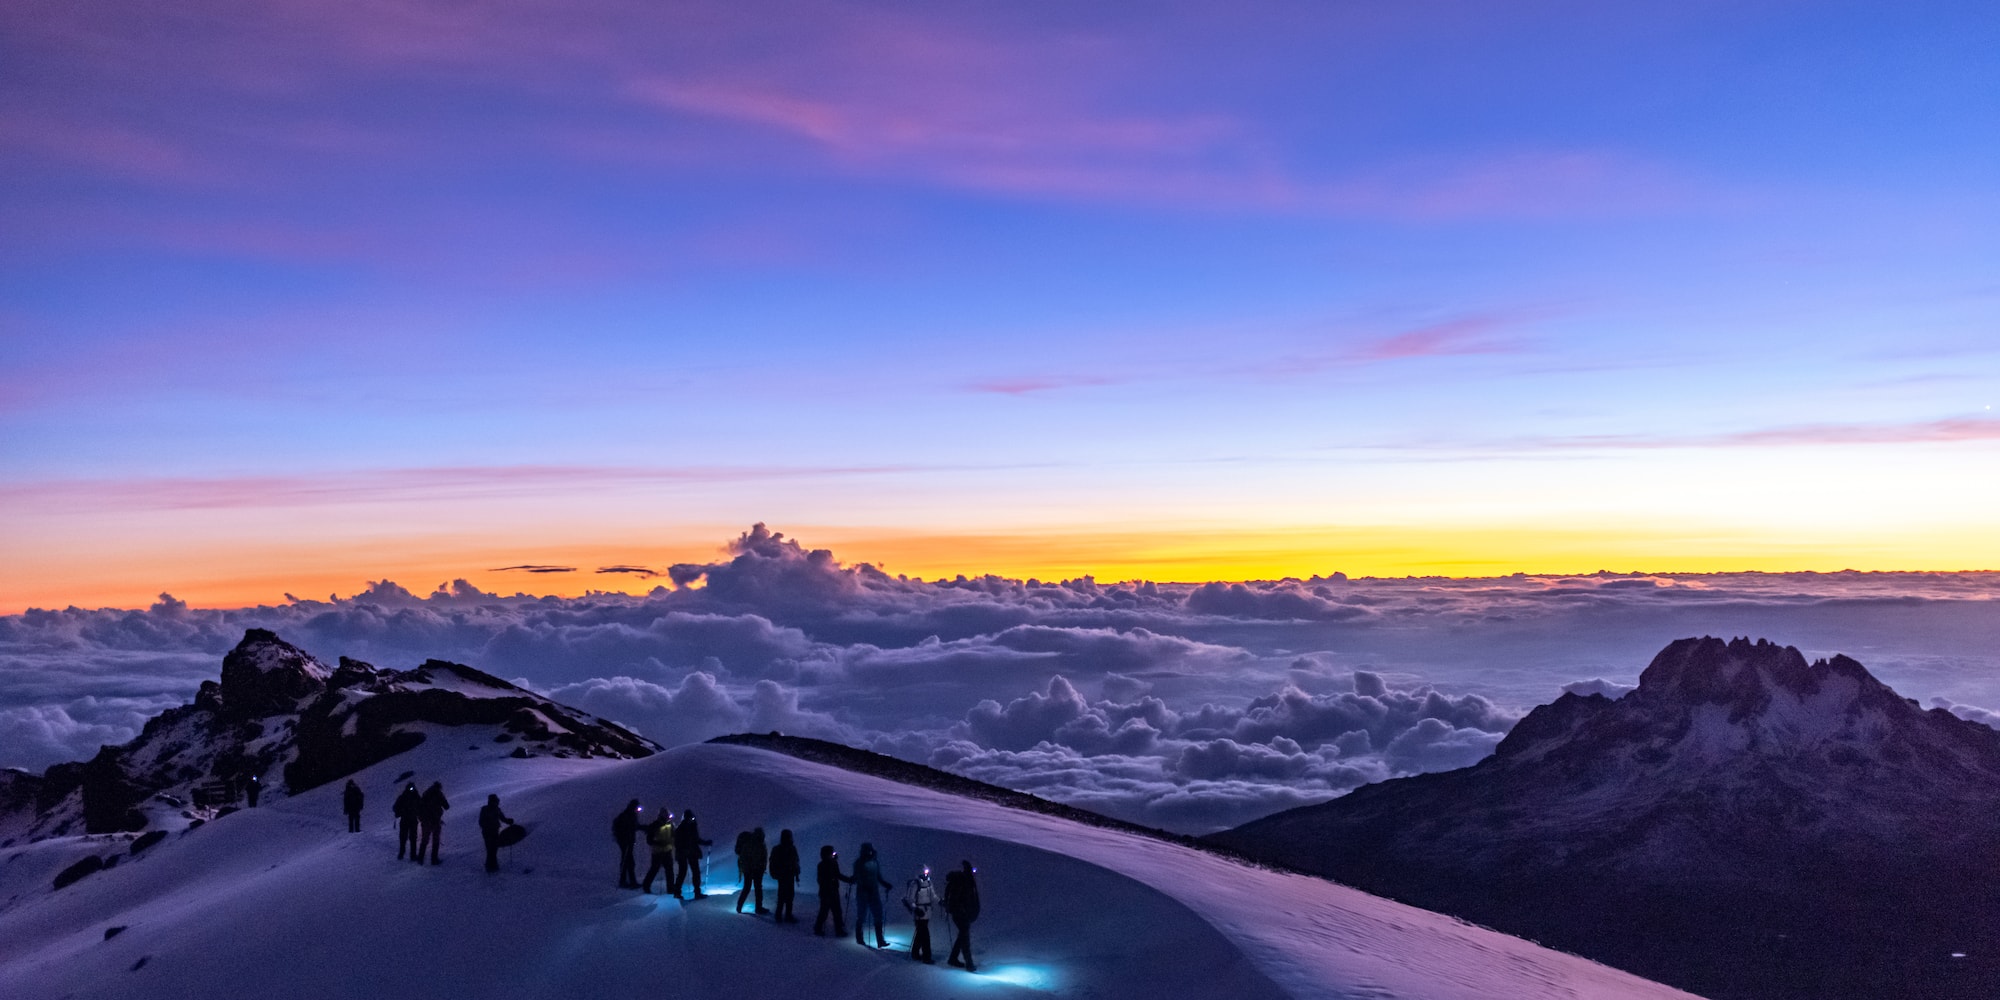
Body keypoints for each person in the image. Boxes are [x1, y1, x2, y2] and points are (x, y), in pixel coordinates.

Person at [851, 842, 892, 948]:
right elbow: (857, 877)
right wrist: (863, 886)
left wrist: (885, 884)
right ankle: (859, 939)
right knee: (862, 916)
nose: (869, 851)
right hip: (863, 893)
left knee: (878, 915)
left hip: (873, 893)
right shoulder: (859, 863)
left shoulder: (875, 862)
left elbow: (878, 877)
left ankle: (880, 940)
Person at [944, 860, 980, 972]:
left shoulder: (966, 881)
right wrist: (963, 911)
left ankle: (953, 958)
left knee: (962, 936)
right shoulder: (961, 881)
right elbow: (956, 899)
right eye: (971, 870)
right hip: (960, 914)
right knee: (965, 938)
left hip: (963, 913)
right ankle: (969, 963)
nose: (973, 873)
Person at [673, 809, 713, 898]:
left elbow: (695, 839)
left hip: (689, 852)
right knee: (686, 872)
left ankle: (681, 892)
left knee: (690, 872)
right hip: (687, 852)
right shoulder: (685, 827)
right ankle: (687, 892)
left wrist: (705, 843)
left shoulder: (687, 827)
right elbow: (678, 842)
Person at [813, 845, 850, 937]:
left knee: (836, 911)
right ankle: (819, 928)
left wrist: (848, 880)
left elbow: (837, 875)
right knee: (825, 911)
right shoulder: (822, 865)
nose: (833, 854)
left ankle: (838, 930)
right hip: (827, 892)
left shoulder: (832, 863)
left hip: (832, 891)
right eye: (831, 853)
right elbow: (822, 879)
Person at [904, 866, 939, 963]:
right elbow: (910, 899)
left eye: (927, 872)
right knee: (925, 935)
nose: (926, 874)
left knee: (920, 934)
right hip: (919, 913)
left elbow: (933, 896)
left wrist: (940, 901)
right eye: (924, 872)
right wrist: (915, 909)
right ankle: (926, 957)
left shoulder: (929, 883)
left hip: (927, 912)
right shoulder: (915, 884)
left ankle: (915, 953)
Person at [641, 806, 676, 895]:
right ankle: (646, 886)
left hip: (667, 851)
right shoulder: (655, 825)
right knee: (654, 869)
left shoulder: (670, 825)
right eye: (666, 815)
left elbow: (674, 835)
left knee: (669, 870)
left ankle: (671, 888)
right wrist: (659, 843)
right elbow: (649, 840)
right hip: (657, 852)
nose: (667, 817)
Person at [768, 829, 801, 923]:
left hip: (785, 875)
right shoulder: (790, 848)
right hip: (785, 875)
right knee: (786, 896)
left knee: (786, 896)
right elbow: (795, 861)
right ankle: (784, 915)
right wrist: (796, 872)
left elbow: (795, 861)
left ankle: (782, 915)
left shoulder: (779, 848)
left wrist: (796, 872)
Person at [735, 827, 769, 915]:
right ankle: (758, 908)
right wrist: (761, 867)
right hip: (755, 869)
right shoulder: (759, 844)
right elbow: (762, 857)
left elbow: (745, 857)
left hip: (749, 869)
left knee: (748, 887)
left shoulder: (750, 843)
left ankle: (739, 906)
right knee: (757, 888)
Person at [417, 781, 449, 865]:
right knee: (436, 839)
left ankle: (420, 858)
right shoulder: (439, 794)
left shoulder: (425, 794)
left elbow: (420, 807)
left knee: (425, 839)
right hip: (435, 820)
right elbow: (446, 806)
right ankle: (434, 860)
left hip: (425, 821)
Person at [612, 799, 642, 888]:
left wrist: (646, 828)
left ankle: (627, 881)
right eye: (637, 807)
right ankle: (626, 881)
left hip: (628, 841)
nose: (638, 809)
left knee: (628, 861)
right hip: (626, 842)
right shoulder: (627, 815)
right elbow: (626, 828)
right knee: (627, 861)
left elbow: (635, 826)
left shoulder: (631, 815)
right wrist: (625, 838)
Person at [478, 794, 511, 873]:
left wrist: (508, 821)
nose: (497, 802)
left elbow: (502, 818)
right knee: (490, 849)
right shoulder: (485, 810)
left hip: (495, 832)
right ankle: (491, 866)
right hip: (487, 833)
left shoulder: (496, 809)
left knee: (494, 849)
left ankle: (492, 865)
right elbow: (481, 822)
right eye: (496, 801)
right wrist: (488, 827)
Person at [393, 783, 422, 861]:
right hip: (409, 820)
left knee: (406, 838)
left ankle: (404, 854)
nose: (411, 789)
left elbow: (395, 807)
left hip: (407, 820)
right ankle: (408, 855)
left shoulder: (405, 796)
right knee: (408, 838)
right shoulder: (413, 796)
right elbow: (421, 807)